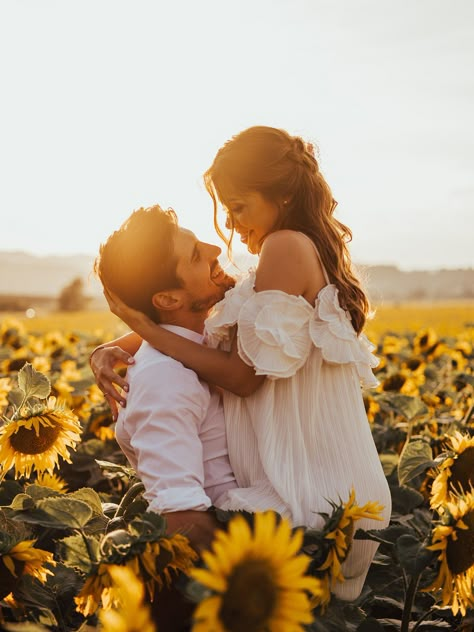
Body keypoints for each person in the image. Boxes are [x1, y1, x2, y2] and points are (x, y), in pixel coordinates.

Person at [92, 125, 392, 601]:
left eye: (238, 206)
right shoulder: (285, 256)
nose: (229, 225)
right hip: (321, 489)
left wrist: (147, 333)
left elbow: (243, 379)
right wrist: (124, 343)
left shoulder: (285, 247)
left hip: (308, 496)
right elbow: (206, 315)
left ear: (284, 195)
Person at [93, 204, 238, 552]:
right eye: (194, 255)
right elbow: (182, 518)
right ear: (168, 298)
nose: (215, 250)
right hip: (243, 552)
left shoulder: (210, 340)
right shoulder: (165, 378)